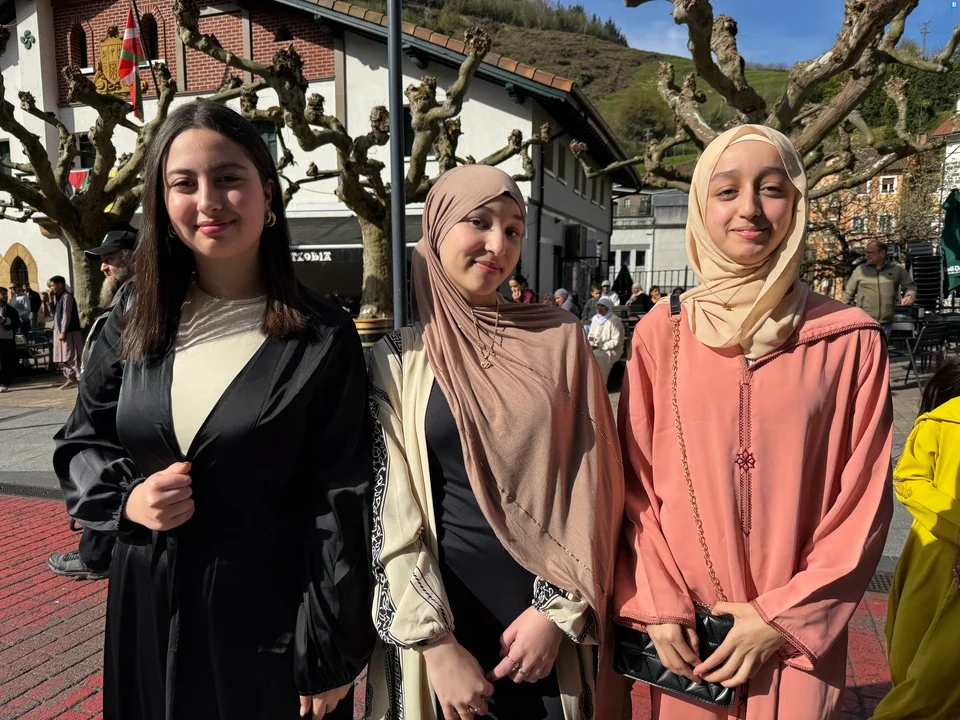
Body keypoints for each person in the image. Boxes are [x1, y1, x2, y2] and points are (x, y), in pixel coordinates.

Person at [53, 101, 375, 720]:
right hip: (148, 606)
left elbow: (342, 498)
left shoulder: (322, 336)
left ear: (267, 192)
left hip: (267, 624)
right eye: (184, 183)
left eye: (229, 177)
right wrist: (127, 499)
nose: (208, 200)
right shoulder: (135, 316)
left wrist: (329, 652)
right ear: (161, 202)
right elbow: (82, 440)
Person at [614, 125, 893, 720]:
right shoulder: (661, 335)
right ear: (700, 204)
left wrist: (780, 619)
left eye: (771, 189)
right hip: (689, 636)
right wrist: (659, 605)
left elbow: (864, 502)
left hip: (795, 643)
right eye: (727, 190)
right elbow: (635, 486)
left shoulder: (849, 340)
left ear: (796, 203)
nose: (750, 209)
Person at [364, 165, 625, 720]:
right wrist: (435, 645)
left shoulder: (559, 339)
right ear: (437, 231)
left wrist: (555, 613)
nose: (498, 245)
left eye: (513, 230)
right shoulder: (397, 360)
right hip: (443, 631)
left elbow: (595, 484)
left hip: (545, 631)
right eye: (479, 223)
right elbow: (388, 509)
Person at [47, 225, 138, 581]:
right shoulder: (124, 297)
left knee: (108, 475)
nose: (103, 267)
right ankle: (98, 553)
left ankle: (95, 557)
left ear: (134, 258)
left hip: (118, 414)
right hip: (104, 411)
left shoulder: (138, 296)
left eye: (110, 258)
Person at [872, 358, 960, 720]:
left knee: (933, 679)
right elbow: (910, 479)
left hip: (937, 558)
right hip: (935, 559)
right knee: (912, 663)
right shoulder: (943, 421)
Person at [842, 240, 917, 325]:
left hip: (887, 323)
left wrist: (909, 296)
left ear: (882, 253)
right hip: (864, 322)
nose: (867, 255)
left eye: (871, 253)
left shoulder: (897, 269)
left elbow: (911, 286)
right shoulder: (860, 270)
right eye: (867, 253)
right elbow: (847, 295)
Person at [47, 276, 83, 388]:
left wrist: (63, 332)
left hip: (69, 332)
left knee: (72, 357)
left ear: (60, 285)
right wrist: (50, 300)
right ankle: (71, 378)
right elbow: (54, 315)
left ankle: (81, 379)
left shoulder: (66, 297)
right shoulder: (58, 298)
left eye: (53, 285)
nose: (51, 288)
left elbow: (66, 316)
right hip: (60, 332)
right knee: (64, 358)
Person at [587, 296, 625, 385]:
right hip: (595, 347)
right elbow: (591, 334)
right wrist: (591, 344)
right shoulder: (595, 319)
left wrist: (600, 346)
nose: (600, 308)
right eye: (598, 305)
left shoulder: (615, 320)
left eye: (603, 306)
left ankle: (601, 385)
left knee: (598, 358)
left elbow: (616, 341)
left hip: (611, 349)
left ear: (608, 307)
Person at [0, 287, 20, 391]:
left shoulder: (10, 309)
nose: (5, 296)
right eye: (3, 294)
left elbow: (17, 323)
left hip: (6, 338)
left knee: (5, 362)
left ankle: (4, 383)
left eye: (6, 294)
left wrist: (6, 321)